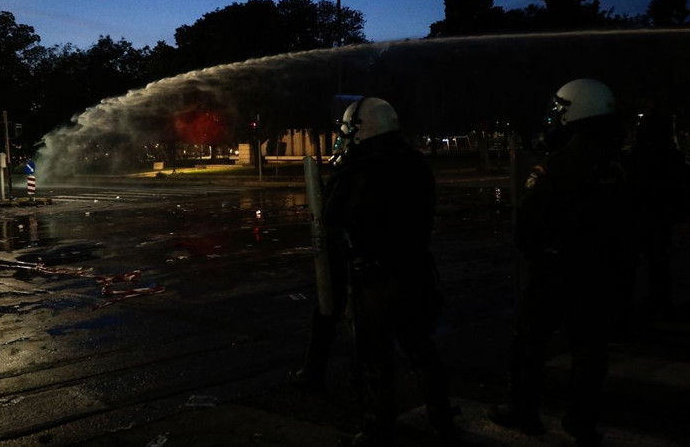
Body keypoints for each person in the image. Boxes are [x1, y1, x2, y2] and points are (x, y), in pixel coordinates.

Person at [291, 96, 458, 446]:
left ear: (361, 129)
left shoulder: (356, 170)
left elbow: (332, 225)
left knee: (374, 358)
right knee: (421, 348)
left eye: (347, 129)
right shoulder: (415, 163)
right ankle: (442, 415)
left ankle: (378, 428)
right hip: (416, 271)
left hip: (375, 278)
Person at [488, 78, 635, 446]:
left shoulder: (561, 164)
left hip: (556, 269)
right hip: (601, 270)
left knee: (529, 342)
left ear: (578, 111)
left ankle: (525, 413)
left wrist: (539, 252)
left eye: (560, 111)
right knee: (590, 349)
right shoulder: (617, 163)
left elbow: (529, 221)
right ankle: (581, 421)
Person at [624, 112, 690, 319]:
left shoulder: (634, 157)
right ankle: (660, 302)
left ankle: (633, 307)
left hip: (640, 216)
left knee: (634, 264)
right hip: (662, 217)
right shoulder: (673, 157)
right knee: (659, 261)